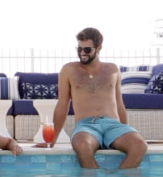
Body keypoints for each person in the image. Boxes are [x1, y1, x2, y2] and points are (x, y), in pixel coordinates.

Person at [50, 27, 148, 169]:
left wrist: (124, 128)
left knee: (139, 146)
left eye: (87, 50)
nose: (82, 53)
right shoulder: (69, 70)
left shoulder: (113, 70)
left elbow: (119, 104)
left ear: (99, 48)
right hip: (86, 125)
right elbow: (62, 105)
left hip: (113, 125)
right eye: (79, 49)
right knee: (83, 146)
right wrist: (53, 139)